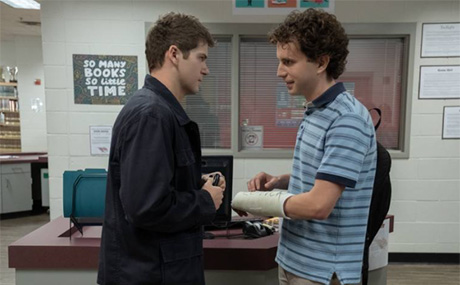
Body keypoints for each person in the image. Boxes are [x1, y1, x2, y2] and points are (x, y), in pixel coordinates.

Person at [232, 8, 377, 285]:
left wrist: (255, 203)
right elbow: (323, 176)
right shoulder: (316, 111)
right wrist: (281, 181)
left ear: (321, 62)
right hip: (294, 259)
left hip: (322, 271)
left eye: (288, 61)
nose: (279, 72)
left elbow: (319, 205)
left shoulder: (346, 119)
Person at [97, 12, 225, 285]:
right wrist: (205, 201)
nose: (206, 69)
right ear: (175, 54)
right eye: (201, 58)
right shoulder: (152, 115)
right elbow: (146, 207)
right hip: (150, 273)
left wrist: (193, 182)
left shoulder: (160, 110)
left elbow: (152, 187)